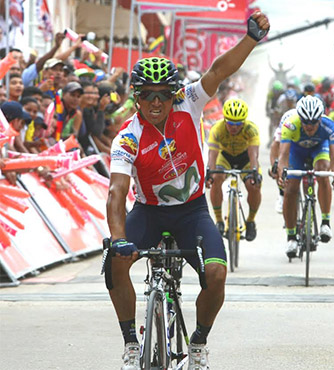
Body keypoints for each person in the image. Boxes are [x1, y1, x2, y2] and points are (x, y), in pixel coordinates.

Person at [106, 12, 269, 370]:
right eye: (146, 95)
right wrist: (118, 238)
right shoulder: (128, 137)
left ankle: (198, 344)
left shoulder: (189, 104)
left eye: (163, 95)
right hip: (147, 212)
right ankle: (132, 343)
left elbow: (217, 70)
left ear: (174, 94)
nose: (155, 103)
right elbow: (117, 192)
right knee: (114, 263)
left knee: (215, 274)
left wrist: (251, 39)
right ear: (136, 97)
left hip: (192, 211)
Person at [277, 95, 334, 259]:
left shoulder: (330, 126)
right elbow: (283, 155)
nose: (310, 126)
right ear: (300, 118)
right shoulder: (290, 124)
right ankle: (291, 237)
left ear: (320, 119)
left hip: (319, 149)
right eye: (306, 122)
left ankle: (325, 223)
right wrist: (281, 173)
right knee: (291, 187)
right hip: (296, 153)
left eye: (314, 122)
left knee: (322, 171)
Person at [206, 97, 262, 241]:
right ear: (224, 120)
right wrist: (210, 172)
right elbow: (212, 154)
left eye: (238, 124)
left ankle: (250, 221)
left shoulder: (251, 129)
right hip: (225, 157)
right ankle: (218, 220)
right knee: (217, 178)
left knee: (253, 185)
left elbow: (253, 154)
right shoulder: (217, 129)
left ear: (244, 121)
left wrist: (255, 171)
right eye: (230, 123)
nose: (234, 127)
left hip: (245, 158)